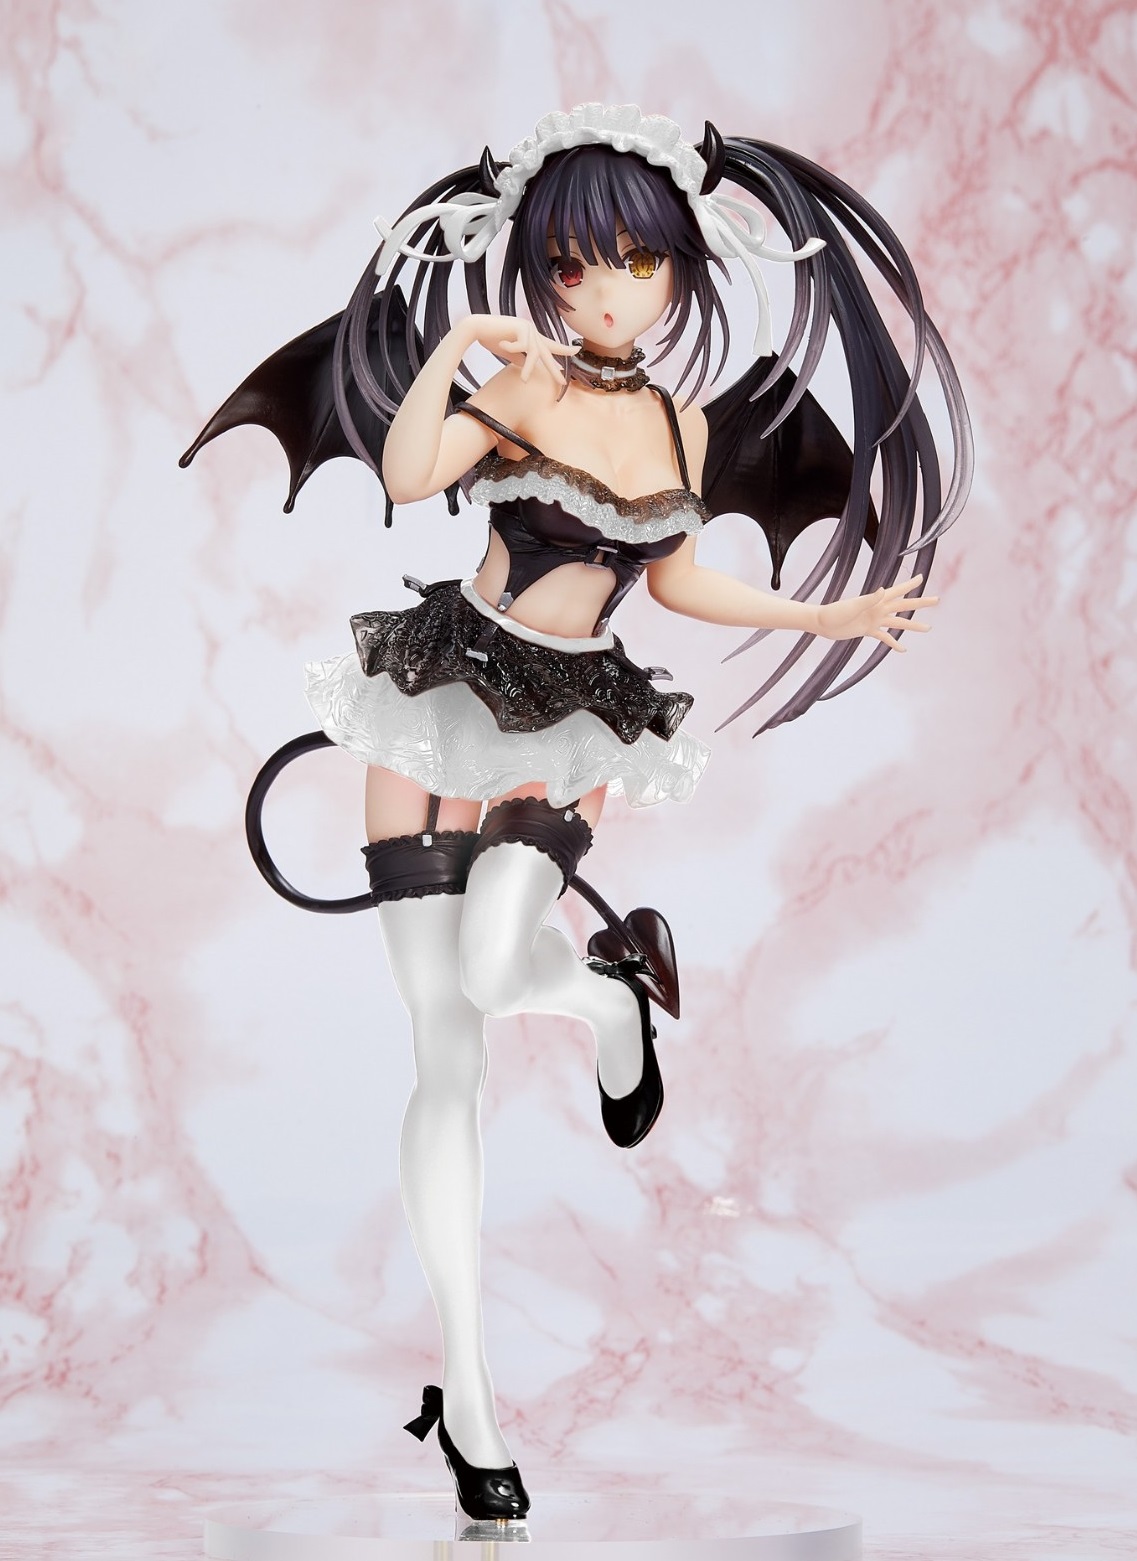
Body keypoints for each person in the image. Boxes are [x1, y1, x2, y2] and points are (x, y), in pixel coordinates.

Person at [183, 103, 970, 1525]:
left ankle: (611, 999)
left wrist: (822, 611)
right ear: (541, 272)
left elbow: (673, 580)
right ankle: (468, 1390)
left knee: (497, 970)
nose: (608, 294)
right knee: (444, 1056)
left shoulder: (680, 421)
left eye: (638, 265)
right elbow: (411, 477)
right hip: (437, 690)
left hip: (573, 718)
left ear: (680, 269)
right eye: (575, 267)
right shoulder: (524, 382)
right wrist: (454, 354)